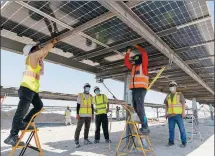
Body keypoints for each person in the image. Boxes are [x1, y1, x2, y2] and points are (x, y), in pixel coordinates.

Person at [4, 38, 57, 146]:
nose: (39, 48)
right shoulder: (32, 57)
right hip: (26, 88)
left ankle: (25, 122)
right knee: (21, 111)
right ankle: (12, 136)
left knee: (39, 106)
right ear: (32, 50)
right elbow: (43, 51)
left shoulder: (36, 59)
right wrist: (52, 43)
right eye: (37, 47)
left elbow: (44, 53)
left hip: (32, 90)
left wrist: (50, 46)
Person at [124, 45, 150, 135]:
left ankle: (145, 127)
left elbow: (144, 53)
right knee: (135, 108)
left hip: (141, 89)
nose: (134, 62)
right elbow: (126, 62)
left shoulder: (144, 66)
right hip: (134, 90)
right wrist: (128, 52)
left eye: (136, 60)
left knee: (140, 108)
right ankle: (142, 124)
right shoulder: (133, 68)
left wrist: (137, 46)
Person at [164, 81, 187, 148]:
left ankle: (184, 142)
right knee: (171, 129)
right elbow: (166, 105)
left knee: (182, 129)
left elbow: (183, 104)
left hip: (178, 115)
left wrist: (183, 112)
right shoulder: (168, 96)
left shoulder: (179, 94)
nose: (171, 87)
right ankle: (171, 142)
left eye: (173, 86)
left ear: (176, 87)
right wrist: (166, 113)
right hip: (170, 116)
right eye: (170, 86)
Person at [74, 83, 94, 148]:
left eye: (89, 87)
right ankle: (76, 140)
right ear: (84, 88)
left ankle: (86, 139)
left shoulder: (91, 96)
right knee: (78, 128)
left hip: (89, 115)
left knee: (87, 128)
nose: (88, 88)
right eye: (86, 87)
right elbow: (78, 105)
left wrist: (93, 114)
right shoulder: (80, 95)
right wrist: (77, 114)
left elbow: (92, 105)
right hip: (82, 115)